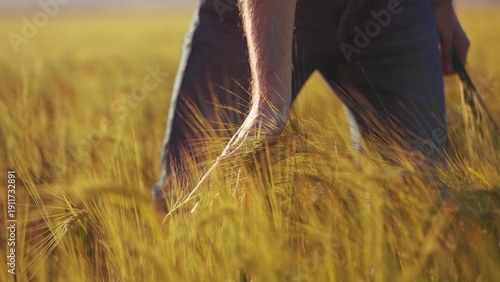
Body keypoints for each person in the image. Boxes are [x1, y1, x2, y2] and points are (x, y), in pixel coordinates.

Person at [153, 0, 470, 212]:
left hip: (396, 10)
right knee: (190, 196)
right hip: (255, 14)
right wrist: (267, 104)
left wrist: (440, 5)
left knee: (420, 204)